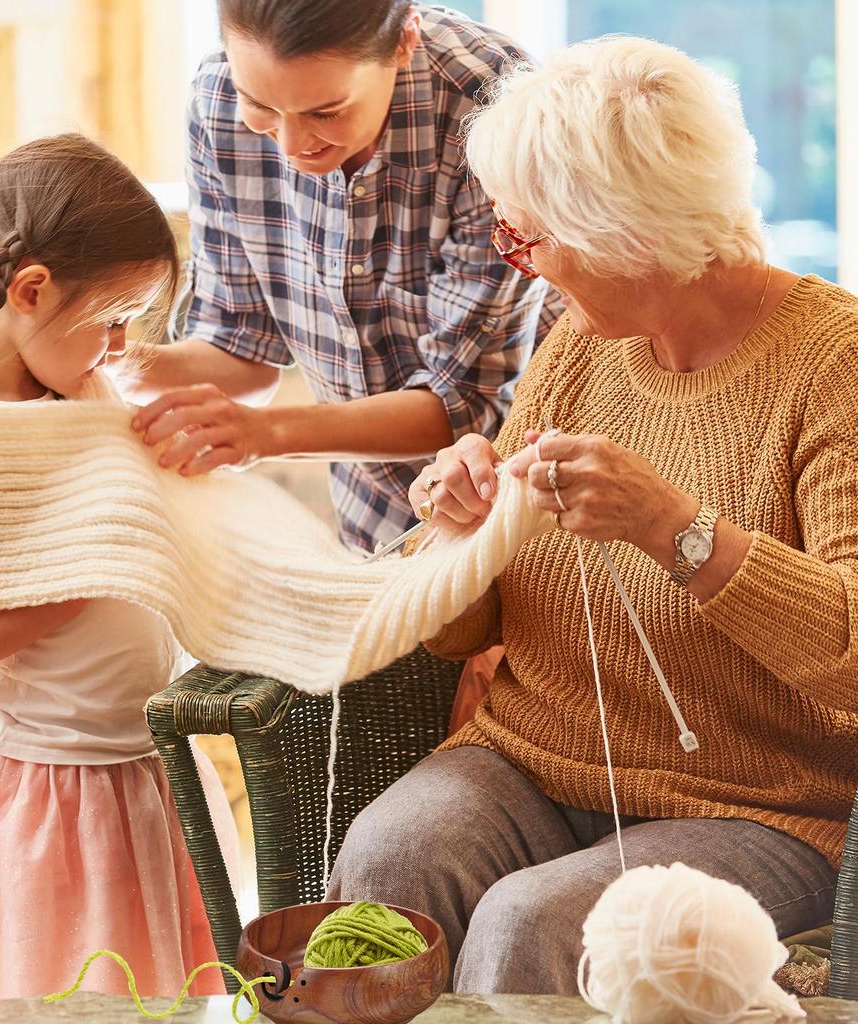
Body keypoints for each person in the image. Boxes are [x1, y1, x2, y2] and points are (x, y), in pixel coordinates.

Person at [328, 36, 858, 994]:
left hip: (762, 811)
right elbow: (474, 628)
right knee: (386, 861)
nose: (522, 269)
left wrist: (676, 529)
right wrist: (460, 535)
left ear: (630, 232)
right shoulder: (580, 343)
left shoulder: (834, 368)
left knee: (535, 922)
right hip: (532, 760)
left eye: (532, 238)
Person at [0, 135, 237, 1023]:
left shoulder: (81, 389)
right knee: (63, 1001)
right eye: (113, 318)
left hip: (149, 777)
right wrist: (78, 585)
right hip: (46, 798)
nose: (122, 346)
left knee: (164, 999)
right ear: (32, 289)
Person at [126, 0, 561, 554]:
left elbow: (463, 404)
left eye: (326, 112)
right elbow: (240, 349)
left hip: (519, 492)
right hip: (371, 504)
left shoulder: (491, 106)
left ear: (405, 40)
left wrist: (266, 435)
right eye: (258, 104)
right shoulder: (215, 104)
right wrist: (106, 360)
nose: (290, 145)